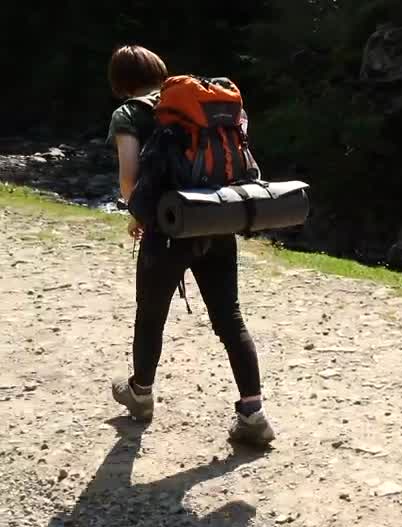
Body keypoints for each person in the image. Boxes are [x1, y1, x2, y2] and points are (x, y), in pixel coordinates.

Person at [105, 45, 275, 448]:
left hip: (167, 228)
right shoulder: (194, 104)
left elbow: (130, 182)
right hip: (217, 219)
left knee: (151, 316)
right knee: (229, 318)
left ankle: (141, 394)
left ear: (119, 81)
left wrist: (139, 212)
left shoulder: (129, 114)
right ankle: (253, 413)